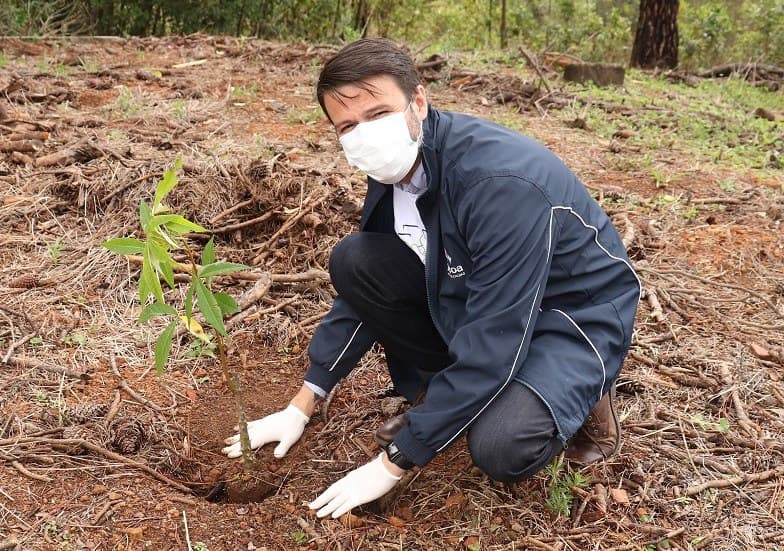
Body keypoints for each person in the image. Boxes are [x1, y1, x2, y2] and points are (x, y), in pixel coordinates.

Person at [222, 37, 640, 519]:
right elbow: (363, 297)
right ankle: (459, 399)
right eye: (347, 126)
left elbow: (496, 339)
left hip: (568, 311)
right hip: (483, 295)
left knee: (502, 447)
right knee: (357, 259)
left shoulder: (499, 183)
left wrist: (393, 462)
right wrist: (303, 402)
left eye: (377, 113)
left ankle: (584, 396)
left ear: (418, 101)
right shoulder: (394, 170)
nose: (365, 134)